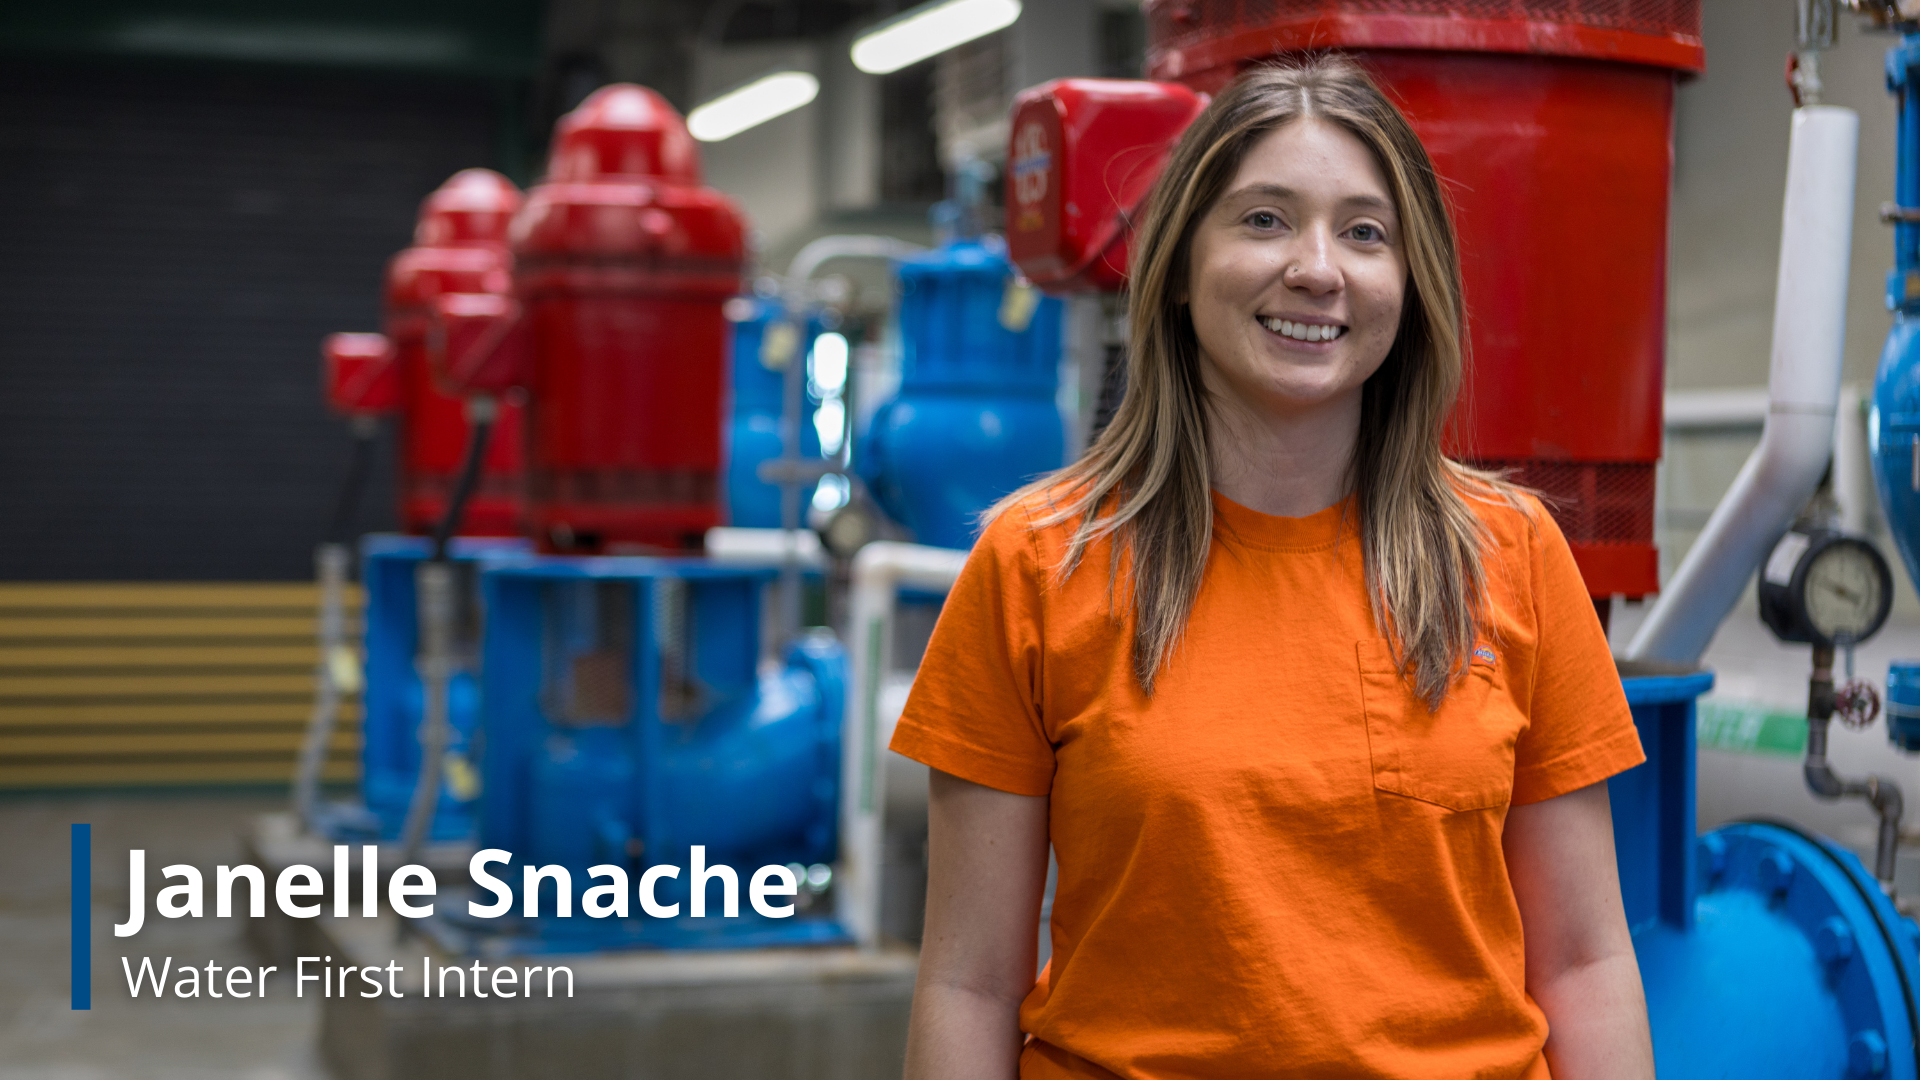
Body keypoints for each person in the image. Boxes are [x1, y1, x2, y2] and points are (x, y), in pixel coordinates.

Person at [890, 56, 1655, 1080]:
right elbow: (968, 983)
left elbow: (1584, 960)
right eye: (1264, 219)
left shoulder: (1509, 554)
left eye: (1364, 231)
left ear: (1410, 281)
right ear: (1179, 265)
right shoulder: (1040, 563)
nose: (1317, 267)